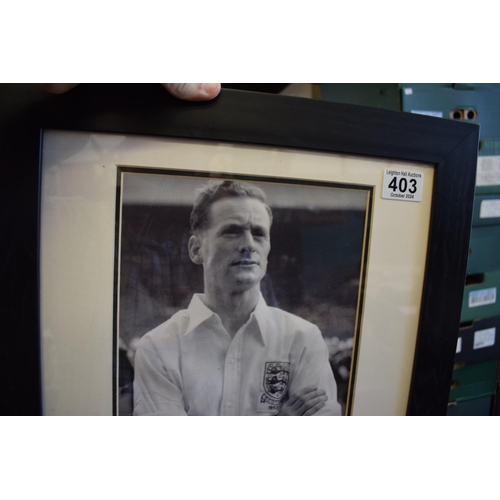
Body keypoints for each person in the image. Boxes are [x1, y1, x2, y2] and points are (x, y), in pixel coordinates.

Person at [133, 180, 342, 416]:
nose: (249, 244)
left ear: (268, 249)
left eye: (259, 233)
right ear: (196, 249)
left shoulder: (303, 340)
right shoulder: (159, 348)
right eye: (232, 231)